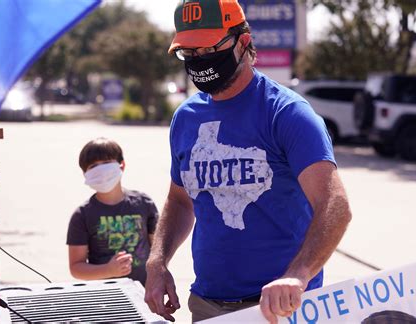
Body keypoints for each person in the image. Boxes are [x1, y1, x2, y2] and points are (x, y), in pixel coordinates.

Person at [144, 0, 352, 323]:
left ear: (242, 41)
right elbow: (180, 201)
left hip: (282, 308)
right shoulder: (186, 119)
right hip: (207, 307)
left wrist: (298, 274)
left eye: (208, 48)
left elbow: (335, 205)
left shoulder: (286, 114)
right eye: (190, 53)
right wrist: (157, 261)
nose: (199, 60)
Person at [66, 137, 159, 287]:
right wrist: (108, 270)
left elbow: (158, 251)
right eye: (93, 166)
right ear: (85, 174)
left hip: (145, 293)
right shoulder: (82, 215)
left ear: (121, 166)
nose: (101, 170)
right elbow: (76, 267)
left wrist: (159, 282)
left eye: (106, 163)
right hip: (105, 298)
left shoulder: (144, 204)